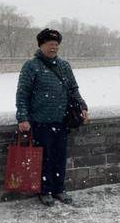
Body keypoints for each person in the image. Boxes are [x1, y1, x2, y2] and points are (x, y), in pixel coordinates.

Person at [16, 28, 88, 207]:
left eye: (56, 44)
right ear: (41, 45)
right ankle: (45, 190)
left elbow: (73, 90)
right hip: (40, 121)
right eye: (50, 44)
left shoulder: (64, 66)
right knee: (44, 158)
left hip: (62, 120)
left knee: (60, 156)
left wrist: (83, 106)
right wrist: (22, 117)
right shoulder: (31, 66)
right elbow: (22, 94)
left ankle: (59, 188)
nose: (54, 47)